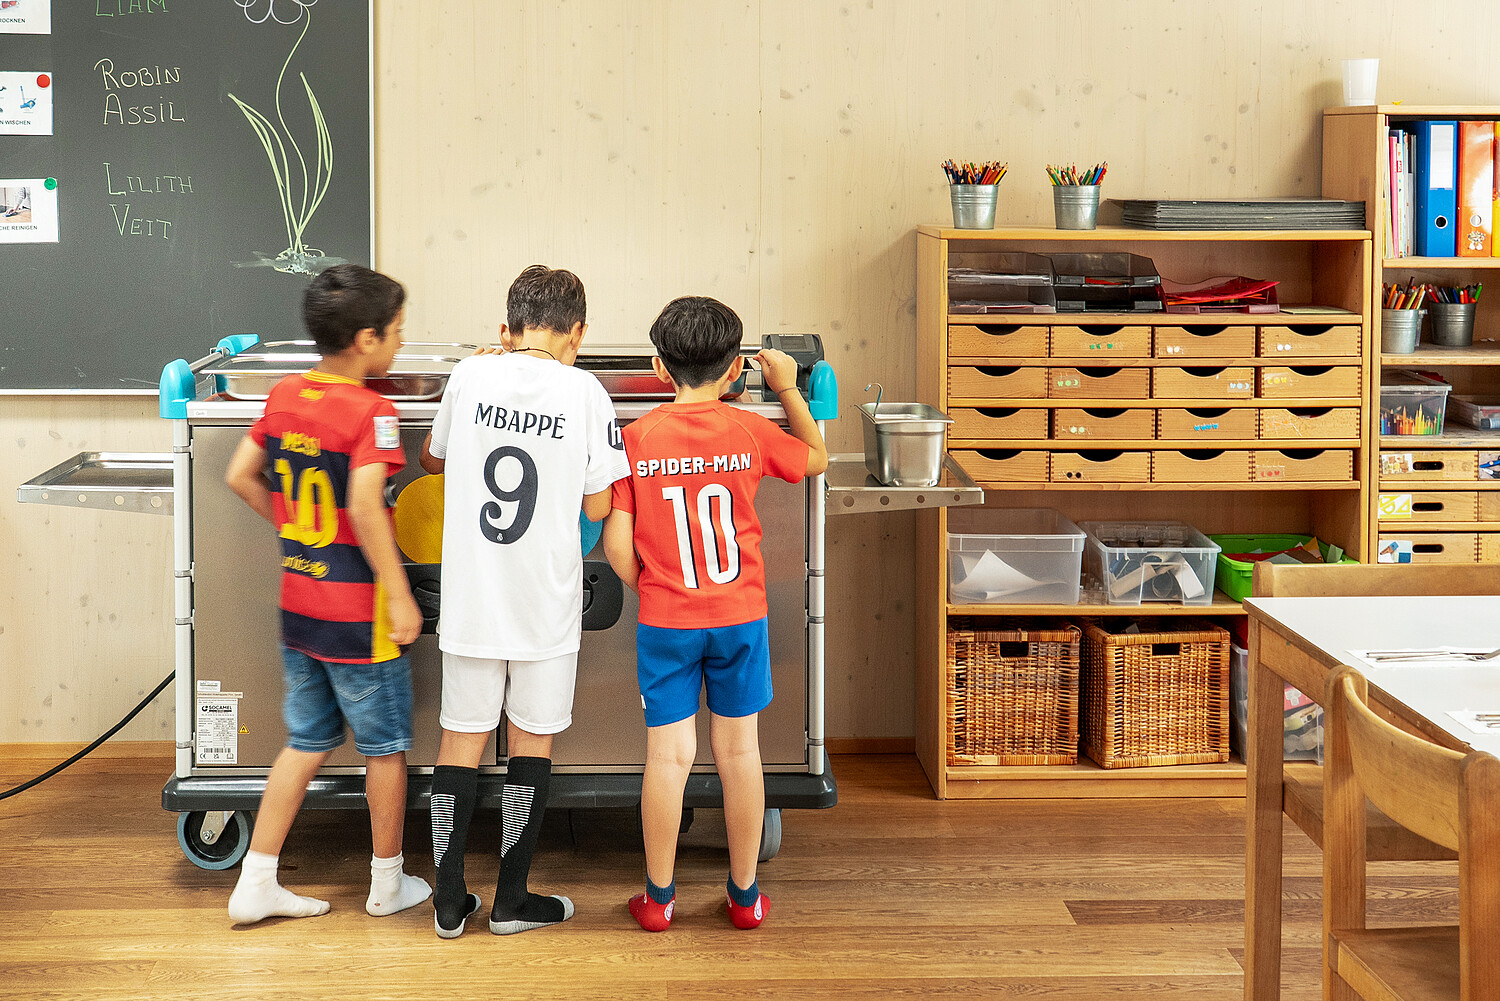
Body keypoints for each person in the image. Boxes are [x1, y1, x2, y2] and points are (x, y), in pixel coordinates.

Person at [602, 296, 828, 931]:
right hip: (740, 618)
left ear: (658, 368)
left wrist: (653, 587)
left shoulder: (636, 439)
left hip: (666, 621)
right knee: (740, 753)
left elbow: (616, 544)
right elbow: (816, 458)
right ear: (735, 370)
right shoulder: (749, 430)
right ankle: (745, 897)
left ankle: (658, 899)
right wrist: (788, 388)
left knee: (668, 758)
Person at [420, 264, 630, 938]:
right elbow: (597, 504)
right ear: (578, 333)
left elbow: (432, 459)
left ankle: (448, 901)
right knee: (530, 743)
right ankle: (511, 899)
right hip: (545, 597)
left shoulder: (470, 375)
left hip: (473, 596)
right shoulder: (587, 391)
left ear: (507, 328)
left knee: (461, 738)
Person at [223, 263, 430, 924]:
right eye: (396, 331)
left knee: (307, 739)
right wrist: (399, 593)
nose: (400, 341)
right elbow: (367, 506)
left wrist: (295, 528)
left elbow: (240, 475)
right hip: (358, 617)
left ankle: (256, 880)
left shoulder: (285, 394)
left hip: (300, 606)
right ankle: (387, 882)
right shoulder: (373, 411)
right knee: (384, 747)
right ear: (367, 340)